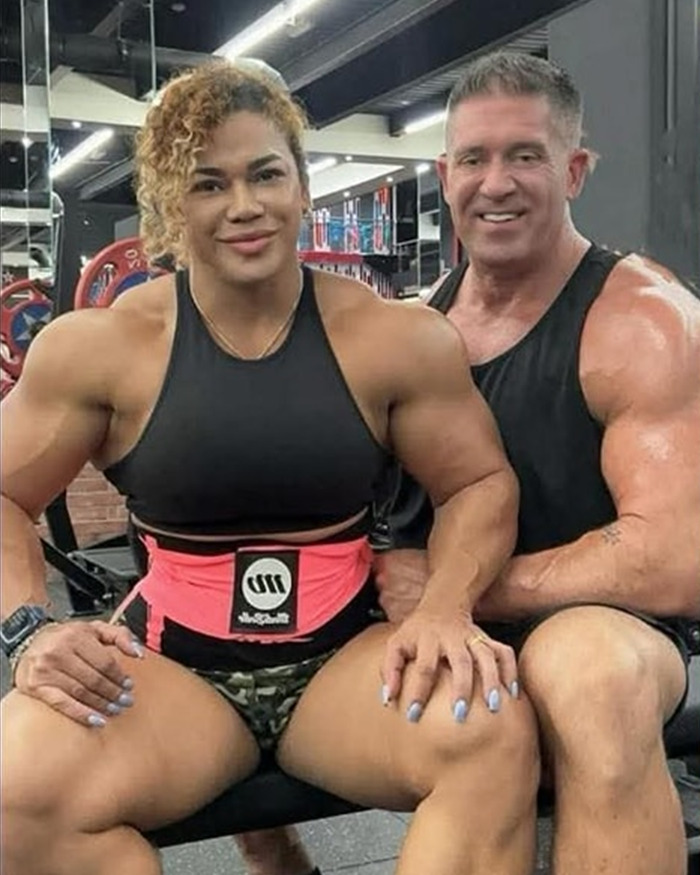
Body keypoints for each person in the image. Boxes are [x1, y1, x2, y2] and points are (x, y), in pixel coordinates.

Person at [0, 60, 539, 875]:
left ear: (301, 185)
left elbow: (478, 482)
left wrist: (444, 606)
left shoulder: (392, 337)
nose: (244, 206)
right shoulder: (99, 347)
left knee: (488, 725)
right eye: (209, 184)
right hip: (177, 666)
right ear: (170, 205)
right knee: (18, 786)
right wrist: (27, 631)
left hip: (346, 659)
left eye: (265, 174)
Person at [373, 50, 700, 875]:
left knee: (591, 677)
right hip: (447, 619)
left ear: (576, 169)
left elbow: (676, 562)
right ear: (443, 175)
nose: (497, 183)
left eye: (526, 155)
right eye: (475, 159)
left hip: (609, 616)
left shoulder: (644, 322)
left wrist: (459, 591)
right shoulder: (414, 329)